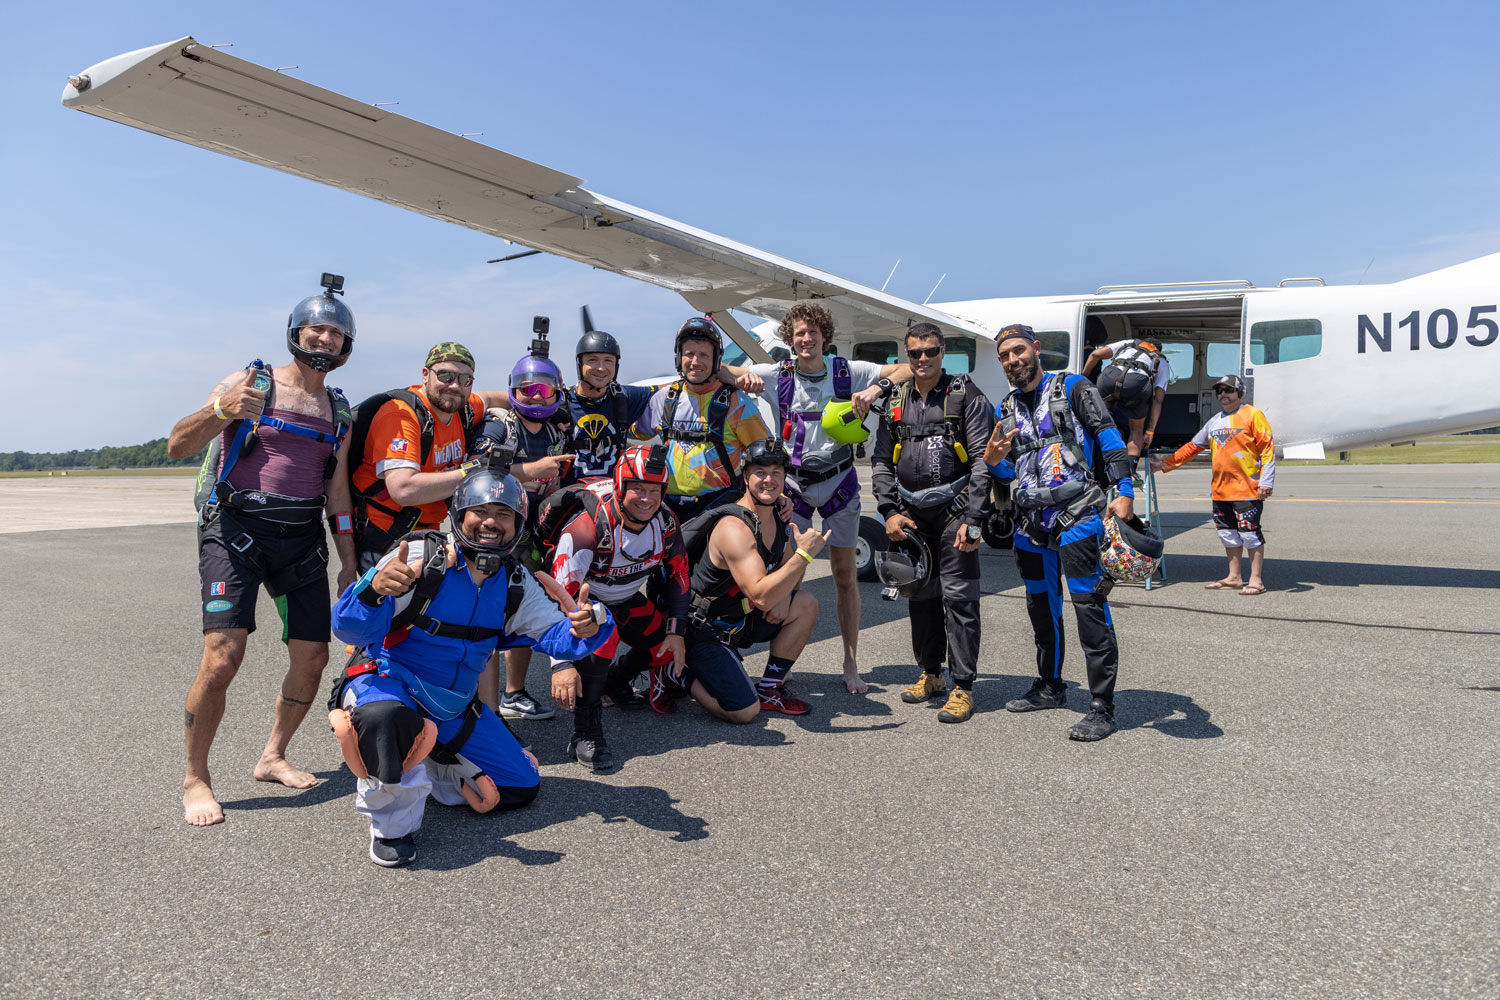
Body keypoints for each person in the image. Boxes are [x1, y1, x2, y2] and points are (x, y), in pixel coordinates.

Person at [328, 468, 613, 867]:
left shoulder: (516, 582)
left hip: (453, 705)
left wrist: (593, 623)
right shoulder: (419, 557)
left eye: (504, 513)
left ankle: (429, 762)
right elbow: (348, 627)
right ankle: (392, 825)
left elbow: (559, 639)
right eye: (480, 511)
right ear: (459, 515)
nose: (491, 522)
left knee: (519, 786)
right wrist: (371, 591)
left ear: (518, 523)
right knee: (385, 719)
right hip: (389, 684)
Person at [166, 275, 360, 826]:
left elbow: (338, 491)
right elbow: (178, 443)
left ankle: (273, 755)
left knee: (314, 657)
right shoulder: (251, 382)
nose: (325, 339)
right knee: (223, 658)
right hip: (236, 531)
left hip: (300, 537)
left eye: (336, 333)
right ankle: (195, 778)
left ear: (347, 346)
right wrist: (222, 410)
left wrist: (348, 561)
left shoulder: (338, 410)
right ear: (296, 332)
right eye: (316, 329)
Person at [727, 302, 911, 694]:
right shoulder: (778, 374)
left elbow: (906, 368)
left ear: (824, 335)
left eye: (812, 332)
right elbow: (723, 371)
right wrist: (743, 381)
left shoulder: (848, 370)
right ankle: (784, 662)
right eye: (798, 334)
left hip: (840, 485)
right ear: (790, 340)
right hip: (794, 488)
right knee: (789, 581)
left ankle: (850, 662)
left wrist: (876, 388)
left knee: (846, 578)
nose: (806, 339)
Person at [986, 324, 1135, 742]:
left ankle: (1102, 706)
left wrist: (1124, 491)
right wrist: (993, 460)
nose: (1013, 360)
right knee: (1040, 607)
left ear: (1036, 349)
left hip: (1078, 515)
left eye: (1019, 350)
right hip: (1031, 522)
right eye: (1005, 356)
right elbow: (1006, 468)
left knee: (1089, 608)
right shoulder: (1008, 407)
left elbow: (1108, 437)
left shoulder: (1073, 387)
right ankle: (1050, 686)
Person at [870, 323, 994, 724]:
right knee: (919, 597)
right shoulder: (895, 401)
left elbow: (982, 461)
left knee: (959, 601)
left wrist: (974, 519)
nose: (923, 360)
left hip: (955, 514)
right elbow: (880, 461)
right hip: (910, 518)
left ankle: (963, 687)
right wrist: (888, 511)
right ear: (907, 357)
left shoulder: (966, 396)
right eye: (914, 354)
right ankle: (931, 673)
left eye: (930, 352)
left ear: (944, 352)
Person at [538, 444, 690, 768]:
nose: (647, 498)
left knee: (665, 646)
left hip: (626, 599)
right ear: (620, 486)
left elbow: (679, 577)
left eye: (654, 489)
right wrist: (560, 665)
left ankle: (617, 681)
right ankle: (585, 732)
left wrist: (676, 631)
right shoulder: (586, 529)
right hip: (584, 607)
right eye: (637, 488)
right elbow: (558, 602)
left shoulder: (665, 522)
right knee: (601, 642)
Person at [669, 438, 825, 720]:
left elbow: (788, 567)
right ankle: (674, 673)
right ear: (745, 476)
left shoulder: (778, 514)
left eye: (777, 472)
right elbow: (762, 595)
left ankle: (769, 690)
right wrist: (806, 555)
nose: (769, 479)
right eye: (760, 472)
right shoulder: (735, 528)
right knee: (743, 711)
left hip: (741, 620)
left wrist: (785, 598)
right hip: (706, 630)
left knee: (804, 603)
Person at [488, 339, 579, 722]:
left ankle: (514, 692)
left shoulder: (559, 430)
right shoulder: (500, 425)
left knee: (528, 604)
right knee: (490, 610)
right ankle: (484, 702)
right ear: (513, 391)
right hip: (496, 529)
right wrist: (532, 470)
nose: (537, 398)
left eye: (545, 390)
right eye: (528, 390)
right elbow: (478, 470)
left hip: (537, 528)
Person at [347, 342, 487, 570]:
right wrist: (474, 471)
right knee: (391, 603)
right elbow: (403, 489)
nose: (454, 385)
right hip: (387, 537)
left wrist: (551, 405)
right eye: (445, 375)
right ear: (425, 375)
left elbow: (493, 398)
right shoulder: (400, 415)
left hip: (429, 533)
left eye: (465, 380)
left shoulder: (462, 408)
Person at [637, 317, 774, 523]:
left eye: (704, 355)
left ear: (716, 360)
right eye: (689, 354)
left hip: (720, 510)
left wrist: (777, 499)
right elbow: (634, 433)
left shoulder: (737, 404)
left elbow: (767, 457)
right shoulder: (664, 399)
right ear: (679, 357)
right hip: (668, 510)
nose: (695, 362)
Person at [1151, 374, 1275, 595]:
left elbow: (1267, 450)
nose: (1223, 394)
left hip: (1246, 489)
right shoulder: (1214, 421)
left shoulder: (1253, 415)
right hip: (1220, 491)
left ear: (1240, 392)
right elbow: (1192, 448)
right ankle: (1234, 577)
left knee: (1250, 534)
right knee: (1227, 534)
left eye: (1228, 390)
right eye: (1220, 391)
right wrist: (1164, 465)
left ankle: (1256, 580)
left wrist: (1266, 482)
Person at [1083, 337, 1171, 478]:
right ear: (1156, 349)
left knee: (1102, 423)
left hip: (1109, 378)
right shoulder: (1160, 360)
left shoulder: (1129, 343)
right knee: (1136, 429)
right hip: (1136, 385)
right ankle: (1129, 473)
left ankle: (1098, 465)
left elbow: (1095, 354)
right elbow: (1158, 400)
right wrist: (1150, 432)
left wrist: (1083, 377)